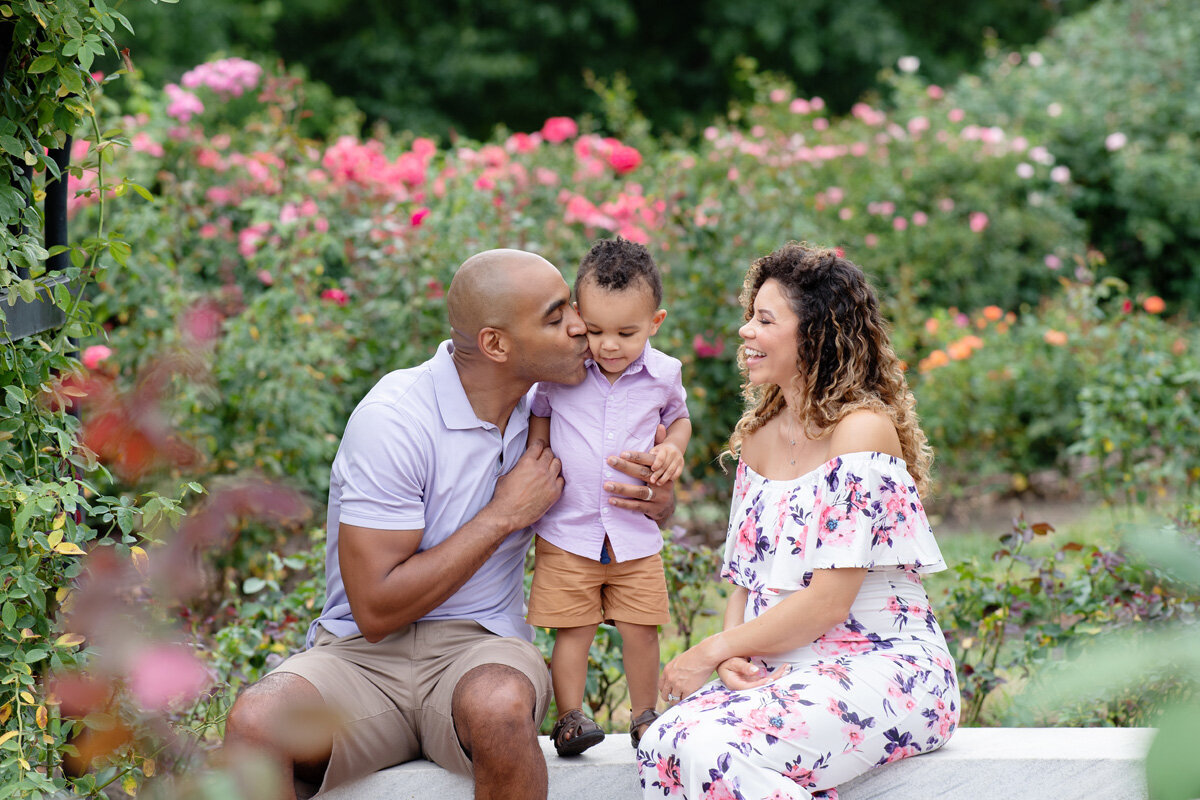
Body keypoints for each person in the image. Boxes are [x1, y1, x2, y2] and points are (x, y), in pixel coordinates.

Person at [223, 249, 677, 800]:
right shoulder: (394, 420)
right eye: (558, 318)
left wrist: (655, 499)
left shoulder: (561, 407)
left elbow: (631, 494)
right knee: (257, 723)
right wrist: (505, 513)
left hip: (482, 648)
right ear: (495, 344)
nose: (582, 327)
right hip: (362, 657)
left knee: (500, 707)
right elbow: (374, 609)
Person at [636, 243, 959, 799]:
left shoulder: (861, 432)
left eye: (765, 319)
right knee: (664, 742)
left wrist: (708, 653)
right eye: (749, 316)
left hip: (883, 665)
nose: (745, 332)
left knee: (712, 750)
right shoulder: (757, 439)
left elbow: (830, 602)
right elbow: (745, 581)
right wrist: (734, 651)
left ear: (815, 334)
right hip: (783, 669)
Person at [525, 238, 691, 757]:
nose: (609, 345)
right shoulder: (563, 369)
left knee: (640, 629)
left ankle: (646, 717)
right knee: (572, 630)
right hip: (568, 529)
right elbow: (540, 411)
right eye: (595, 330)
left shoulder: (663, 375)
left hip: (633, 534)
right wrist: (536, 453)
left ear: (655, 322)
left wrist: (676, 451)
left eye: (627, 332)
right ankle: (571, 717)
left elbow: (678, 419)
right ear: (578, 315)